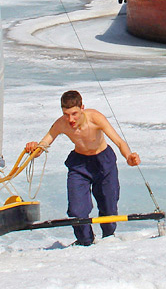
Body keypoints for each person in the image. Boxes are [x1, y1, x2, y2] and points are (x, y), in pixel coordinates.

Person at [25, 90, 141, 246]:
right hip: (80, 164)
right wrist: (34, 148)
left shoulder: (95, 118)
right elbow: (43, 145)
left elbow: (120, 142)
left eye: (74, 114)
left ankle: (108, 237)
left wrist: (129, 157)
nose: (70, 119)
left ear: (82, 108)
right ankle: (85, 240)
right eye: (66, 114)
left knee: (109, 204)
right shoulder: (61, 123)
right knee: (76, 210)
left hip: (103, 161)